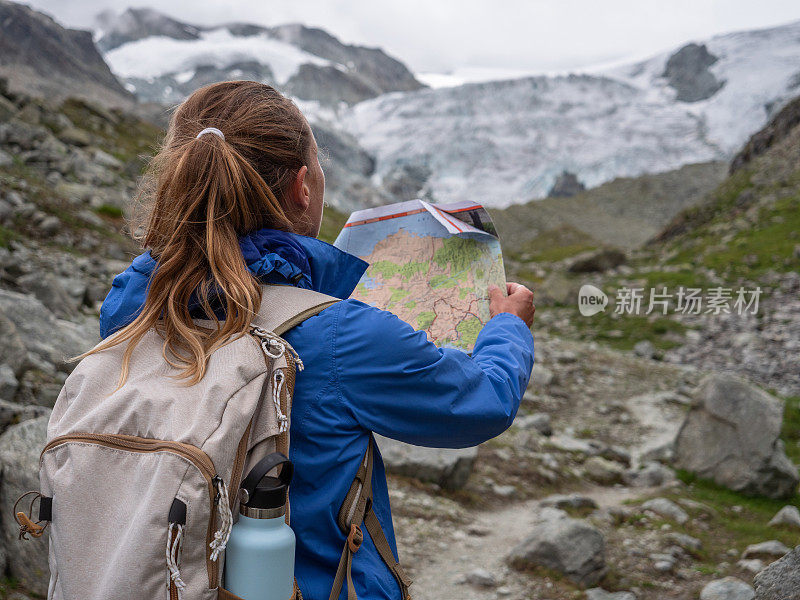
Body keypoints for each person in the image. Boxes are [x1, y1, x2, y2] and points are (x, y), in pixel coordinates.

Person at [95, 81, 535, 600]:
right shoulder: (341, 334)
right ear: (303, 185)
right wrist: (508, 325)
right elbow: (480, 403)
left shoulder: (131, 307)